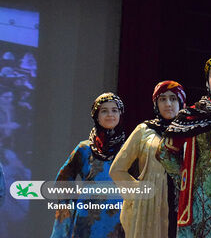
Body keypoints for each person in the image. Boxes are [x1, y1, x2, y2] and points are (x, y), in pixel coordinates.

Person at [156, 54, 211, 238]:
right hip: (200, 199)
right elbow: (164, 152)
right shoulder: (192, 115)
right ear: (208, 82)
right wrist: (185, 180)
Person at [110, 81, 186, 238]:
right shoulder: (144, 131)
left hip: (183, 203)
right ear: (155, 103)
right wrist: (137, 194)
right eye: (162, 99)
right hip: (151, 206)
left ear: (181, 102)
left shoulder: (191, 132)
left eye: (173, 98)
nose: (168, 104)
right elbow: (117, 169)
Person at [50, 92, 126, 238]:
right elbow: (63, 180)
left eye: (114, 110)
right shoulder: (85, 148)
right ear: (96, 116)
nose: (110, 114)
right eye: (104, 111)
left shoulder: (129, 148)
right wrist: (70, 206)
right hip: (87, 218)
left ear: (120, 114)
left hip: (119, 216)